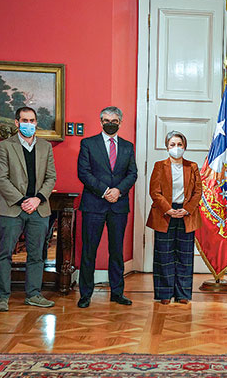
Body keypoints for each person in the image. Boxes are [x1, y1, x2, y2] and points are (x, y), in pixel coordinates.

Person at [0, 107, 57, 312]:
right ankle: (2, 297)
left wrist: (37, 199)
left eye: (32, 120)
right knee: (5, 253)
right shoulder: (5, 146)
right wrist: (22, 200)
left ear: (36, 123)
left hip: (38, 209)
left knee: (37, 254)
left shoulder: (46, 147)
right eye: (24, 120)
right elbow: (1, 179)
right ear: (17, 123)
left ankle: (34, 294)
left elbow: (51, 177)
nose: (28, 124)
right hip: (12, 208)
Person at [76, 106, 138, 308]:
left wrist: (118, 191)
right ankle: (85, 294)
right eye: (106, 120)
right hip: (94, 205)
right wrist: (105, 191)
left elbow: (132, 174)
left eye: (114, 120)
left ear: (120, 122)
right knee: (89, 251)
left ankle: (117, 292)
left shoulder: (128, 147)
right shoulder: (88, 143)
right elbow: (84, 173)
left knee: (117, 251)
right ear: (100, 121)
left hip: (118, 206)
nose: (110, 123)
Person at [146, 131, 201, 305]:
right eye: (172, 145)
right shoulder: (159, 166)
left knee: (184, 256)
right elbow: (155, 192)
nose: (176, 148)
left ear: (184, 147)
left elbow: (198, 192)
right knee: (164, 254)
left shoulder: (192, 166)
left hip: (186, 214)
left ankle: (183, 293)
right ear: (167, 146)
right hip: (165, 214)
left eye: (179, 145)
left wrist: (186, 209)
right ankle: (164, 293)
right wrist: (168, 210)